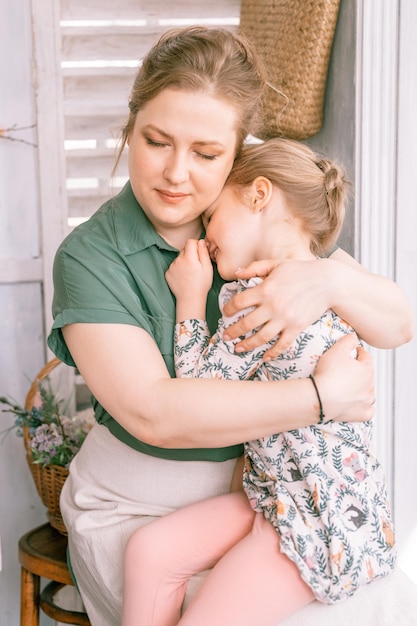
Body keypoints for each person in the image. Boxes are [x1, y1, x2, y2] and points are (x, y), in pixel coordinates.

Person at [46, 26, 412, 626]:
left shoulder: (259, 222)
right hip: (138, 504)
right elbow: (153, 412)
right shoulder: (90, 257)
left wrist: (331, 281)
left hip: (266, 496)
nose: (176, 174)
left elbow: (398, 324)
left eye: (208, 154)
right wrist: (321, 398)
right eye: (156, 141)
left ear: (242, 154)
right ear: (129, 126)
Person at [121, 138, 397, 626]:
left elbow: (199, 388)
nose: (205, 235)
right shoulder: (329, 279)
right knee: (149, 550)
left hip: (313, 524)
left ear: (258, 194)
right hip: (302, 501)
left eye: (211, 218)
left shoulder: (257, 295)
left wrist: (191, 296)